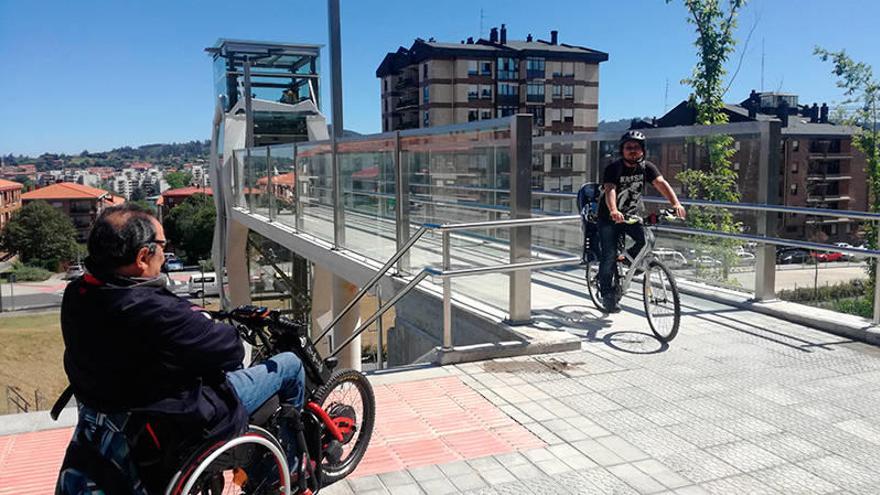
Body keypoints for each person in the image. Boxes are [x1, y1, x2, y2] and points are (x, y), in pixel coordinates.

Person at [56, 204, 305, 494]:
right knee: (289, 365)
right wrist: (202, 321)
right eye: (162, 245)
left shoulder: (78, 294)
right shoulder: (156, 311)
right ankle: (288, 468)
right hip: (179, 413)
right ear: (141, 257)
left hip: (112, 410)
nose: (165, 252)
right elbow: (231, 351)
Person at [597, 130, 686, 313]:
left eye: (636, 148)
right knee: (608, 256)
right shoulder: (614, 168)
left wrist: (675, 204)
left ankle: (628, 263)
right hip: (609, 218)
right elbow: (610, 190)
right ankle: (607, 293)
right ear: (622, 150)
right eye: (628, 147)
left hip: (631, 216)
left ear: (643, 150)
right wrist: (614, 210)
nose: (632, 151)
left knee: (648, 240)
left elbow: (661, 183)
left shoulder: (647, 167)